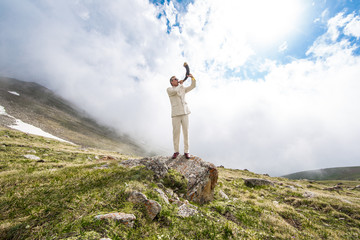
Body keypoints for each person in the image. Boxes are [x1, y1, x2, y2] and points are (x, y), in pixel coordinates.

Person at [167, 74, 196, 159]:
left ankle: (186, 151)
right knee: (176, 133)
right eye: (175, 79)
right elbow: (175, 91)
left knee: (186, 132)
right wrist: (181, 84)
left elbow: (193, 86)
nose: (177, 80)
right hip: (176, 114)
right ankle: (176, 151)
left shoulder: (181, 88)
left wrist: (192, 78)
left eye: (177, 78)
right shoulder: (169, 89)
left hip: (185, 112)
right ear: (172, 82)